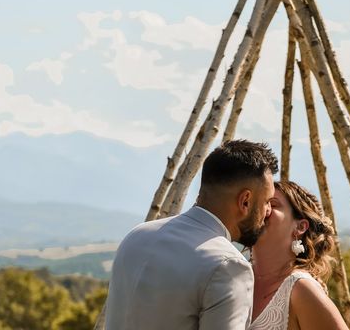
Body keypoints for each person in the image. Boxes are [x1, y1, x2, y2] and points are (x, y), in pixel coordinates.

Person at [104, 139, 278, 330]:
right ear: (245, 201)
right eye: (267, 201)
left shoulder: (136, 236)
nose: (268, 211)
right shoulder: (228, 266)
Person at [249, 181, 349, 330]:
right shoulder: (235, 275)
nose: (263, 210)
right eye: (259, 203)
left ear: (300, 227)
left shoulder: (301, 290)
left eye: (273, 204)